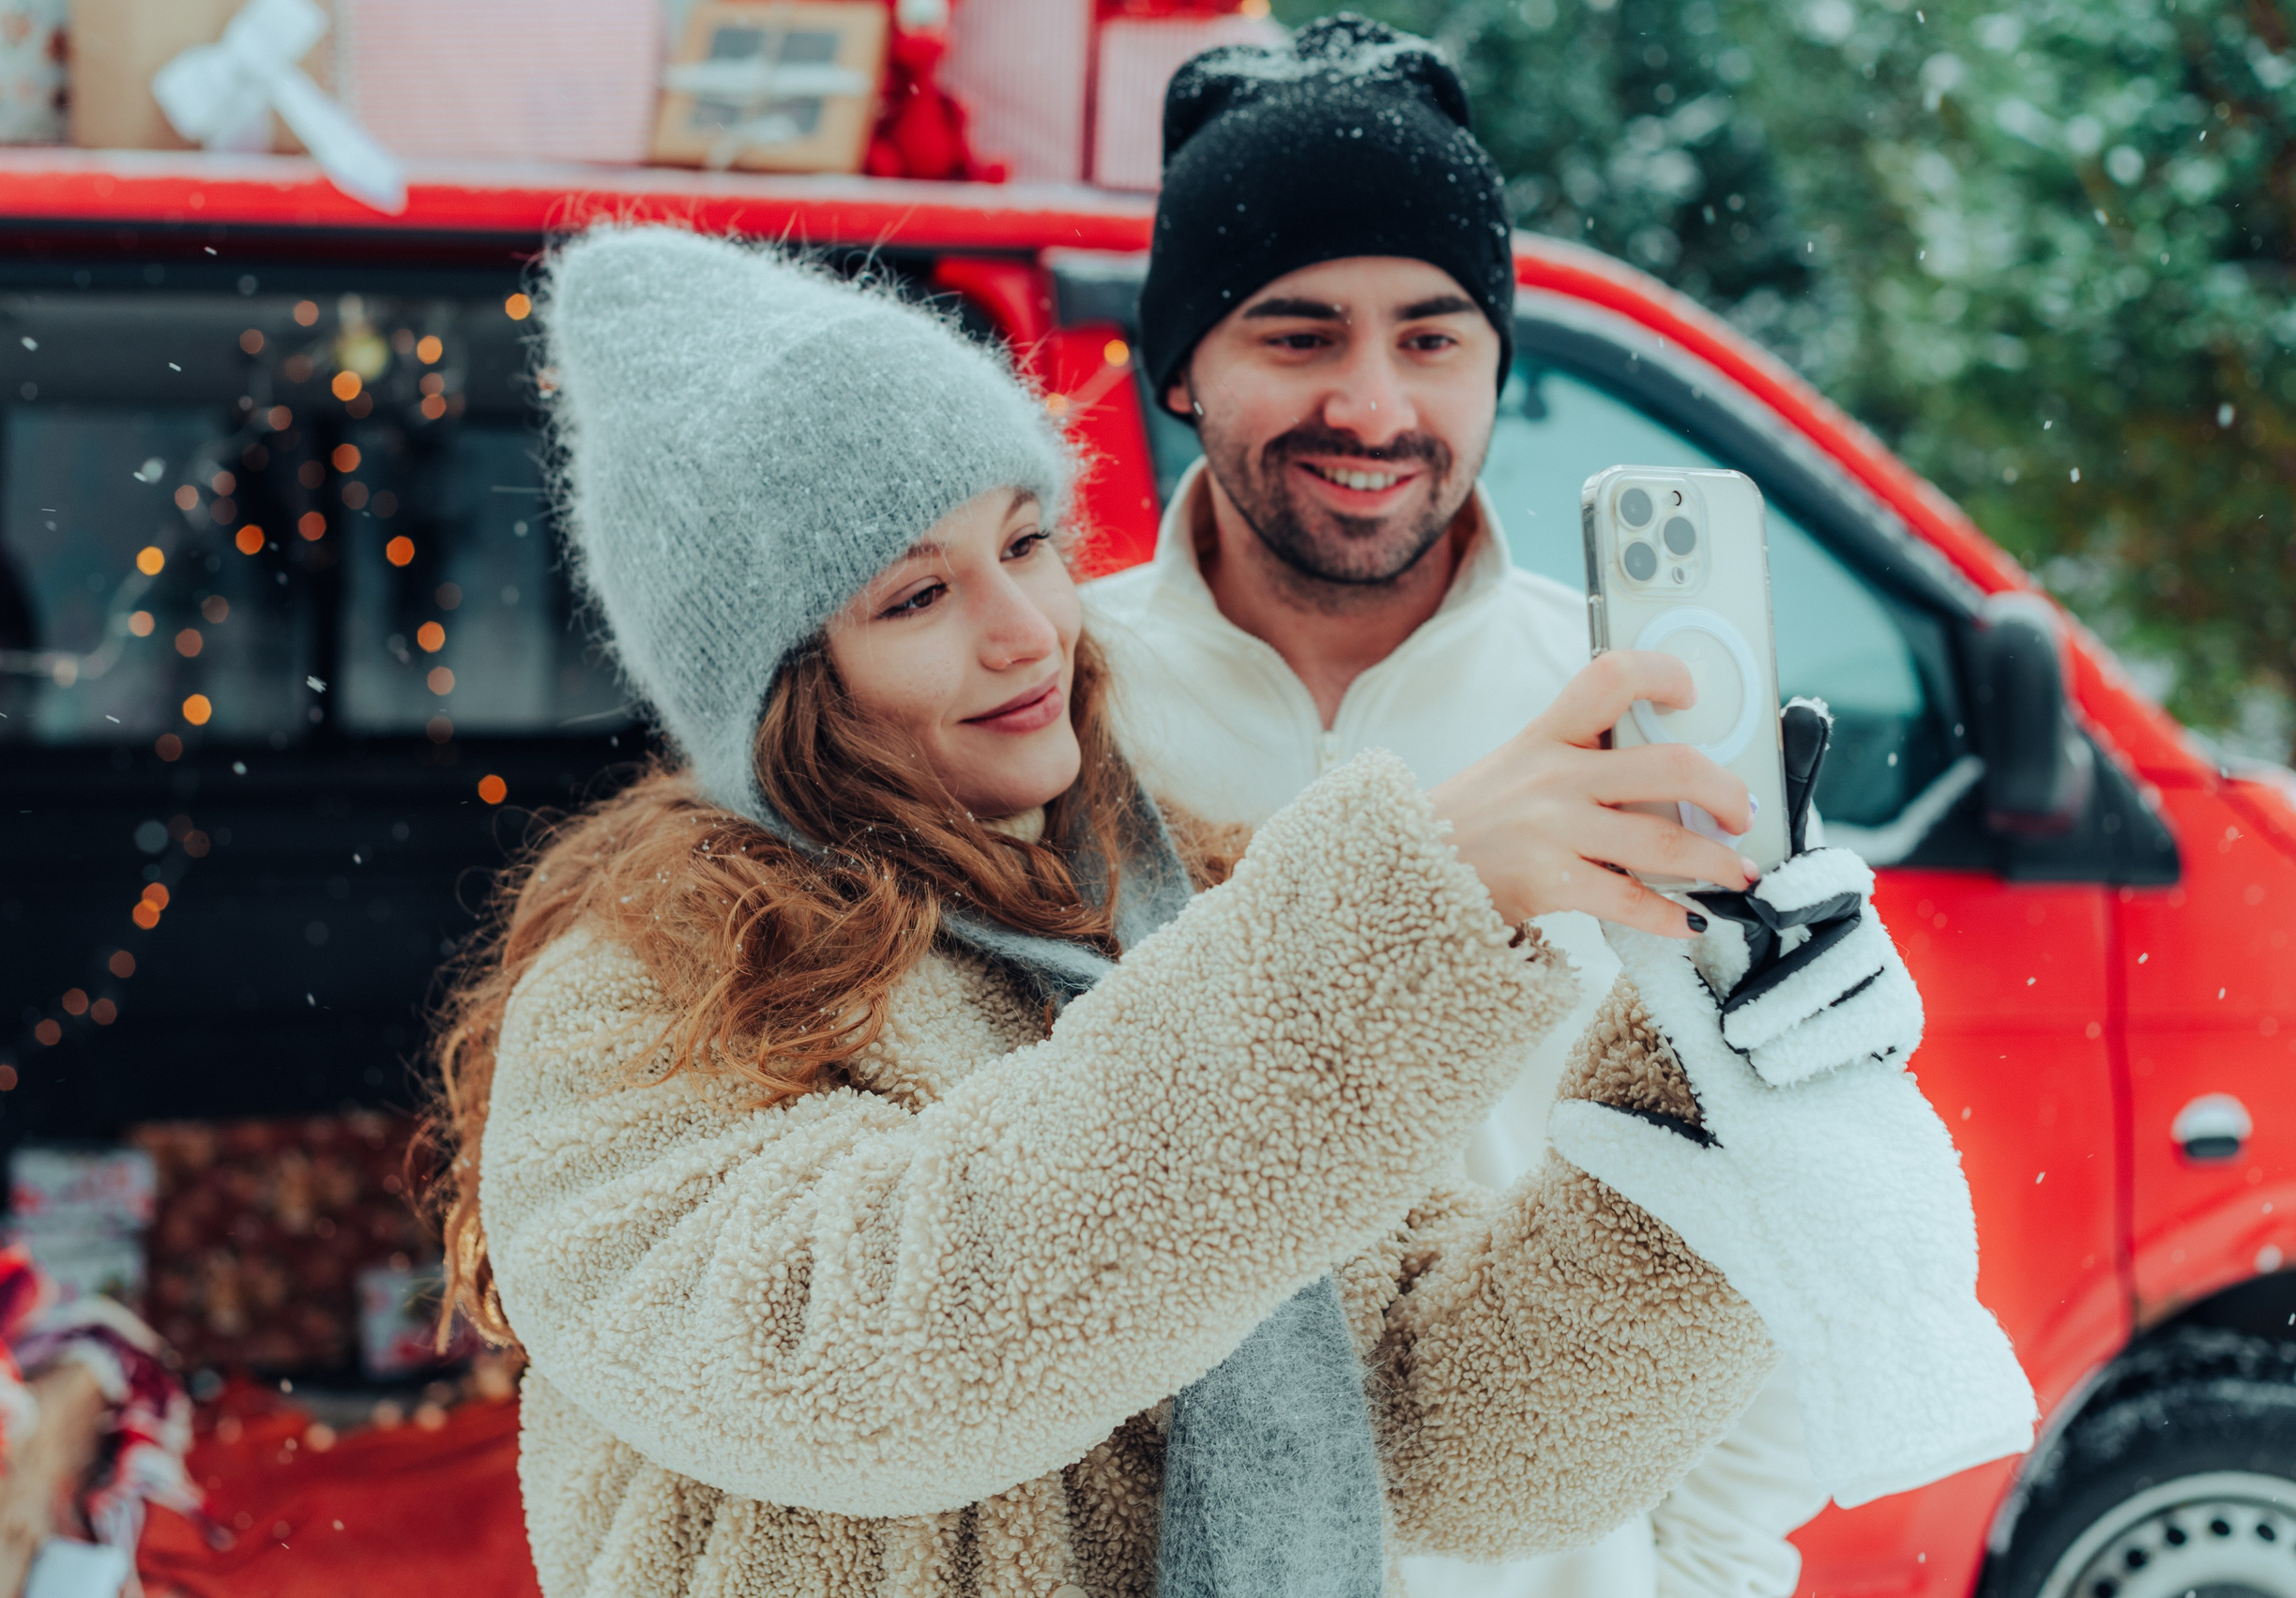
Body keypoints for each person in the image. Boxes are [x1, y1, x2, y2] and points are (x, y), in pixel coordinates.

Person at [424, 224, 1998, 1598]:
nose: (1024, 627)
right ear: (773, 685)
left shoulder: (1166, 899)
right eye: (917, 595)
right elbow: (884, 1354)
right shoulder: (648, 987)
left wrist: (1701, 1093)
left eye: (1027, 542)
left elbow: (1445, 1430)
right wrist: (1417, 902)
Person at [1082, 17, 1819, 1598]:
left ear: (1496, 361)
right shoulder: (1049, 708)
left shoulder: (1633, 714)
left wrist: (1707, 1581)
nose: (1372, 404)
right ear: (1180, 365)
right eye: (1297, 333)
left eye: (1432, 336)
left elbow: (1760, 1193)